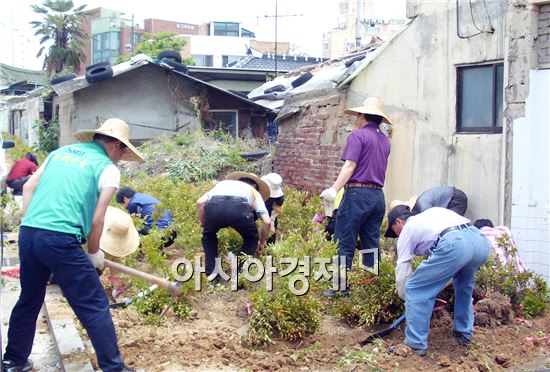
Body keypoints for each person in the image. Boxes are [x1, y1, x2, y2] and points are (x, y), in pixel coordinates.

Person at [2, 118, 143, 372]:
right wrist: (93, 252)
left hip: (30, 233)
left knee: (30, 298)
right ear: (113, 145)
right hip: (60, 238)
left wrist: (31, 223)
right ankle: (114, 368)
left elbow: (30, 186)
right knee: (94, 303)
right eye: (123, 150)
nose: (121, 156)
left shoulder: (59, 153)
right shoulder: (107, 168)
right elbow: (98, 218)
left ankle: (13, 361)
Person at [385, 205, 490, 356]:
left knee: (414, 287)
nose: (396, 236)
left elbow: (403, 273)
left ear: (399, 222)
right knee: (463, 286)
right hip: (479, 241)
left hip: (455, 243)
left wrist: (408, 297)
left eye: (393, 230)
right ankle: (463, 333)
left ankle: (415, 344)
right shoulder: (431, 216)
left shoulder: (407, 229)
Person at [320, 97, 392, 297]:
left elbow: (350, 165)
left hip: (357, 195)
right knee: (371, 242)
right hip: (377, 196)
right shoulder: (385, 141)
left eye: (358, 115)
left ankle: (340, 288)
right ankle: (370, 287)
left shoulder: (358, 136)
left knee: (345, 239)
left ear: (362, 116)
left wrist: (334, 189)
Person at [196, 172, 271, 280]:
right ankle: (240, 276)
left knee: (208, 236)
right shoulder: (254, 193)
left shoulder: (222, 184)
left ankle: (212, 276)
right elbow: (267, 222)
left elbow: (199, 202)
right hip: (239, 210)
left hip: (214, 207)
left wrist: (203, 223)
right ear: (255, 186)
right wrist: (262, 243)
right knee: (251, 238)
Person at [261, 173, 284, 244]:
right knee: (270, 241)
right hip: (271, 221)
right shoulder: (280, 198)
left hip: (266, 220)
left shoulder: (265, 197)